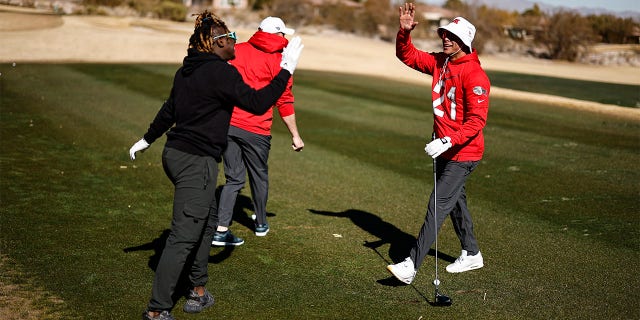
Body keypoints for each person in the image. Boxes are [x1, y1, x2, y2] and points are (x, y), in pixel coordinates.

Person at [128, 10, 303, 320]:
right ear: (218, 42)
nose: (234, 41)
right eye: (230, 37)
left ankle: (197, 291)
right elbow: (257, 103)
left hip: (178, 154)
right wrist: (286, 69)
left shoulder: (188, 70)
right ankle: (157, 310)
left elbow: (170, 109)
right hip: (196, 162)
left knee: (207, 223)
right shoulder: (222, 73)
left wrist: (148, 139)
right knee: (183, 236)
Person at [386, 3, 490, 284]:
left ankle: (411, 265)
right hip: (445, 148)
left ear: (464, 43)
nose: (445, 38)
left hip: (463, 152)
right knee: (456, 201)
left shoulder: (475, 76)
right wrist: (404, 33)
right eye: (444, 34)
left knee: (438, 204)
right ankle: (471, 253)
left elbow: (476, 121)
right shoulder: (439, 62)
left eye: (452, 37)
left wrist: (448, 140)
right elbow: (406, 56)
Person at [212, 16, 304, 246]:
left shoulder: (237, 50)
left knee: (233, 179)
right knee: (259, 176)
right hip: (257, 129)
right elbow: (284, 101)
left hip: (229, 125)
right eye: (283, 34)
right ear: (278, 35)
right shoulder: (282, 61)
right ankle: (261, 223)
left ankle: (221, 230)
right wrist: (295, 135)